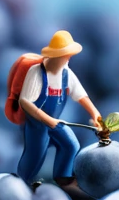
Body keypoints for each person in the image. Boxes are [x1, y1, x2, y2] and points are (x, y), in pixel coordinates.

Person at [17, 30, 102, 186]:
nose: (69, 58)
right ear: (57, 56)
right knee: (36, 155)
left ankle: (63, 179)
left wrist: (95, 113)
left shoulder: (66, 74)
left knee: (71, 145)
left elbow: (81, 95)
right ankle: (23, 183)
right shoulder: (36, 73)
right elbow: (25, 101)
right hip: (38, 125)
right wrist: (46, 120)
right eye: (67, 55)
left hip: (55, 122)